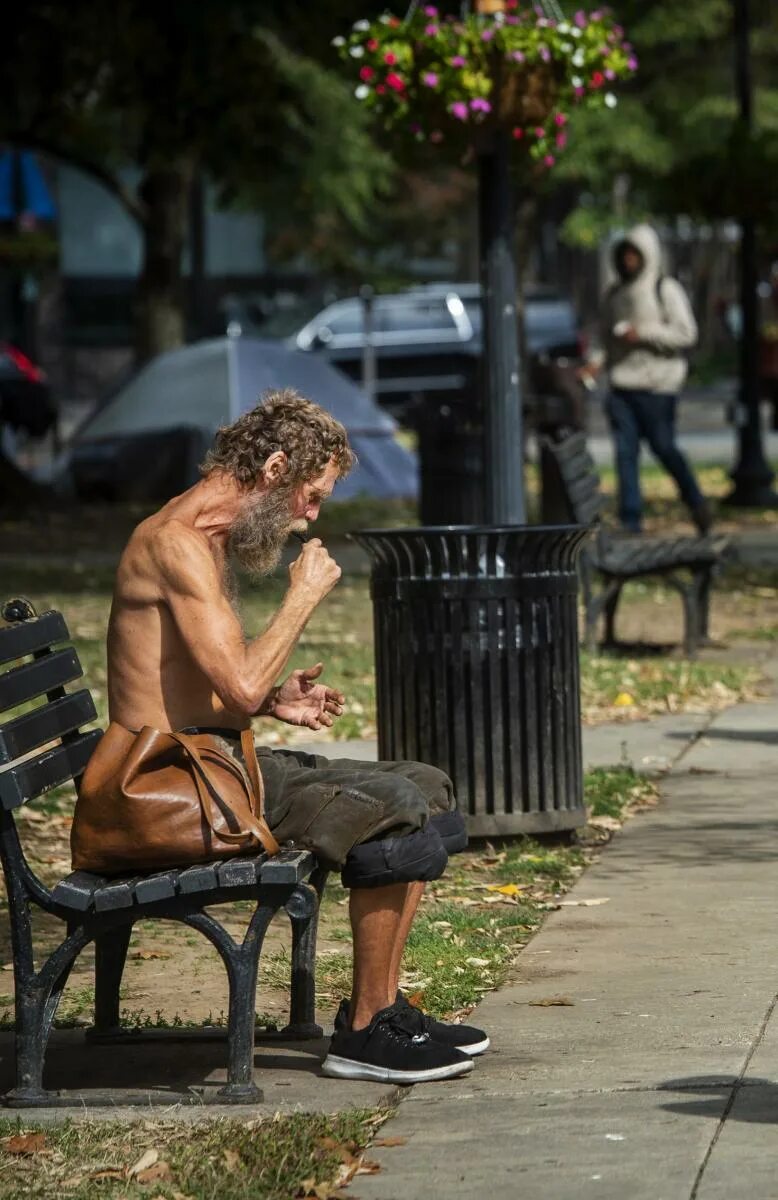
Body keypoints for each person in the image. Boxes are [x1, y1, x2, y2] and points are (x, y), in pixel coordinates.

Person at [105, 388, 487, 1085]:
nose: (313, 514)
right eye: (313, 494)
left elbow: (220, 685)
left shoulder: (206, 539)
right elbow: (239, 688)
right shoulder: (175, 545)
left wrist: (277, 700)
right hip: (167, 788)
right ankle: (368, 1035)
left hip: (210, 765)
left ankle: (385, 1008)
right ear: (275, 468)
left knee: (428, 786)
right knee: (394, 804)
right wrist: (302, 595)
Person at [582, 223, 712, 535]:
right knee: (625, 454)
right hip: (621, 385)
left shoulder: (664, 289)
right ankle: (631, 520)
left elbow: (686, 333)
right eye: (624, 254)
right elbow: (604, 338)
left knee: (664, 446)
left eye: (634, 254)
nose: (628, 260)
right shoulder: (614, 294)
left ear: (647, 255)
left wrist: (643, 334)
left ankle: (696, 502)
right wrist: (595, 364)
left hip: (657, 385)